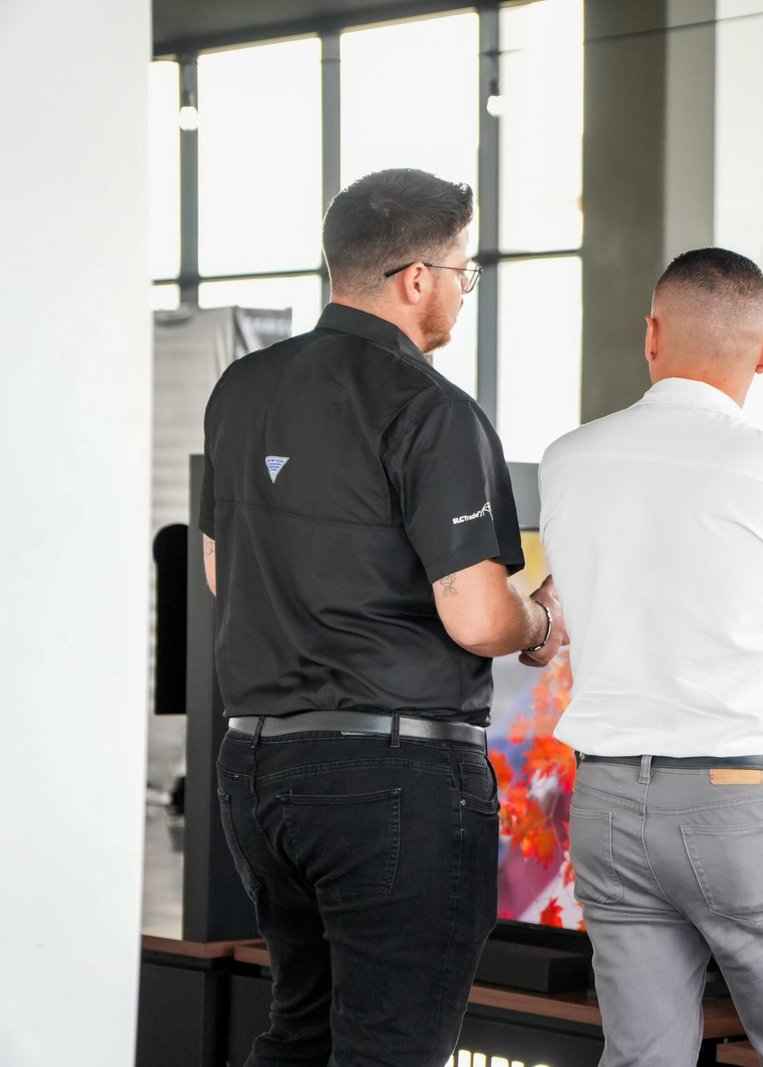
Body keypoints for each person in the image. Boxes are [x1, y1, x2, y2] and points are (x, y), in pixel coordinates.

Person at [200, 167, 568, 1067]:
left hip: (256, 769)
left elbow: (219, 569)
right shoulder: (430, 408)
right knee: (390, 1049)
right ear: (415, 278)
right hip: (392, 778)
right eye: (462, 273)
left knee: (299, 1030)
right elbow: (477, 616)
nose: (463, 292)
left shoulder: (242, 388)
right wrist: (539, 622)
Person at [538, 247, 763, 1067]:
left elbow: (589, 608)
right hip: (741, 805)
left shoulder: (569, 458)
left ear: (651, 334)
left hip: (608, 804)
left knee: (641, 1058)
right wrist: (761, 651)